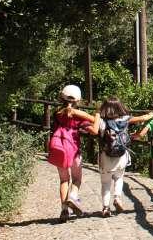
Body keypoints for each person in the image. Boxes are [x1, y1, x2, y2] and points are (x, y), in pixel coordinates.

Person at [47, 85, 100, 223]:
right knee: (77, 179)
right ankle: (73, 196)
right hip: (74, 151)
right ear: (78, 100)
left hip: (59, 150)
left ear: (61, 97)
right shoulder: (78, 115)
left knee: (64, 180)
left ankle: (64, 210)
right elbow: (94, 130)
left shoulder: (57, 113)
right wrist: (98, 114)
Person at [96, 97, 153, 217]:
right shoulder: (125, 119)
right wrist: (152, 113)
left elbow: (94, 130)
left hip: (106, 156)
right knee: (119, 178)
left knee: (105, 183)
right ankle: (117, 198)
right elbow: (143, 118)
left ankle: (106, 208)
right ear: (120, 107)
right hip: (121, 156)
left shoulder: (102, 121)